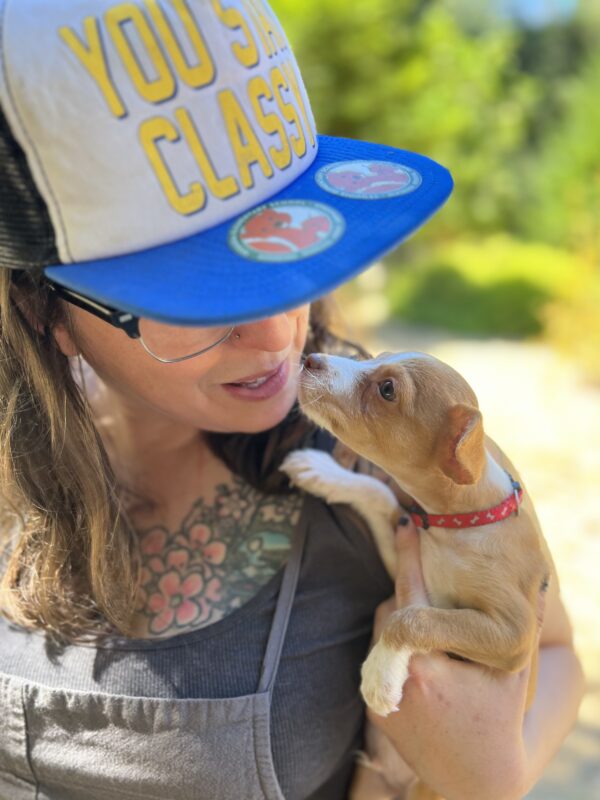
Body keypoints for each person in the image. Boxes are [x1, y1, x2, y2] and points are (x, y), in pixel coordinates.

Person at [0, 1, 583, 798]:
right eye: (201, 295)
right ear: (46, 313)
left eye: (284, 247)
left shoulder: (389, 447)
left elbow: (550, 653)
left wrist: (487, 779)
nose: (280, 337)